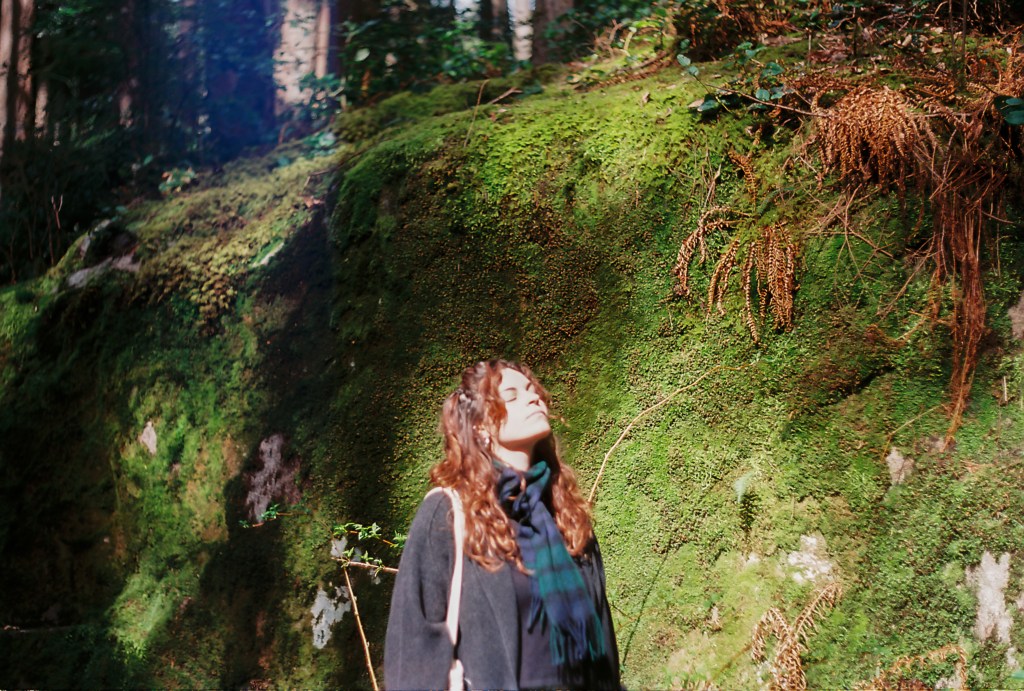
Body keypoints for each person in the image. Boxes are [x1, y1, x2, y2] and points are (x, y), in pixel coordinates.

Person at [384, 359, 621, 690]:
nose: (533, 397)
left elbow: (603, 639)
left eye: (533, 390)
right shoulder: (449, 512)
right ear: (480, 427)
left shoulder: (566, 514)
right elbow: (412, 648)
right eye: (511, 395)